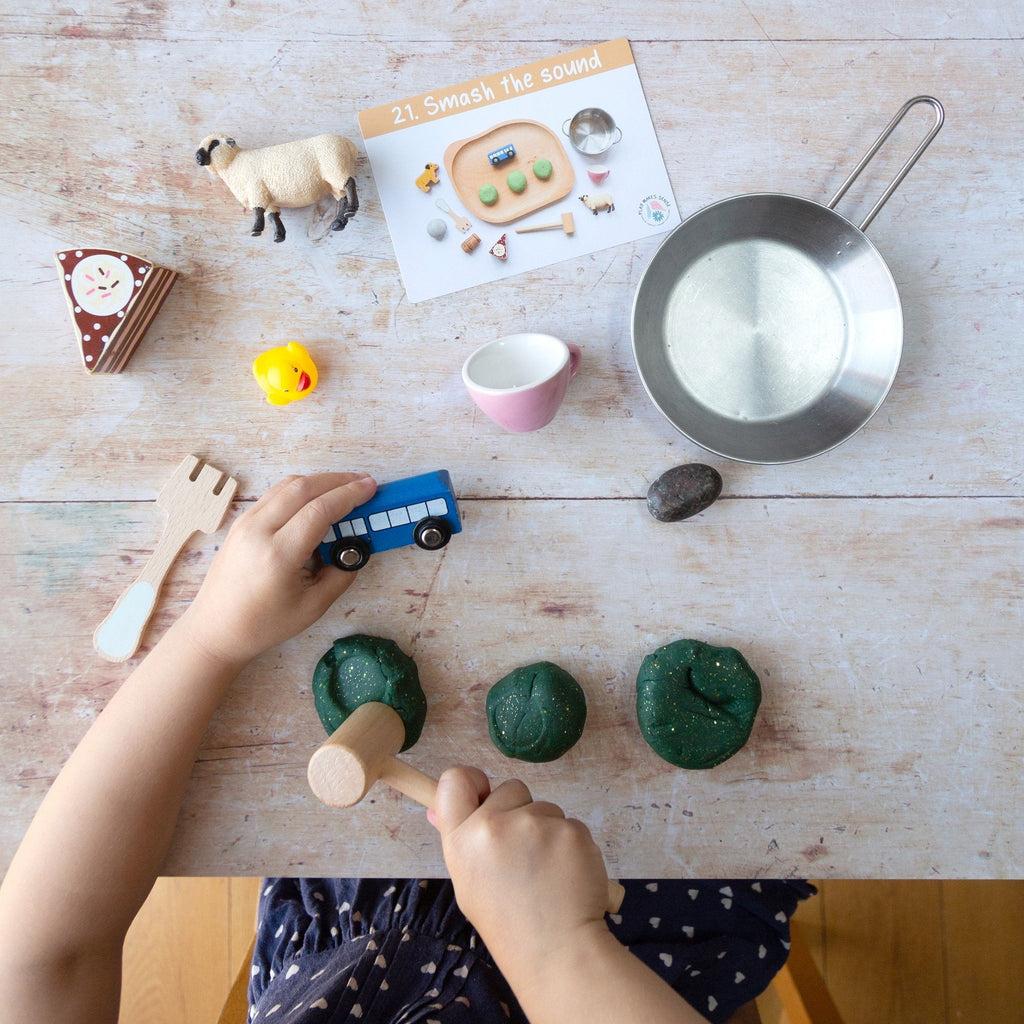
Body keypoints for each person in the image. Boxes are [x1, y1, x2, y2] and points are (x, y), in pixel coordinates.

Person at [0, 472, 813, 1024]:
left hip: (353, 918)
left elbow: (41, 956)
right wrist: (559, 952)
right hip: (638, 943)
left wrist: (211, 640)